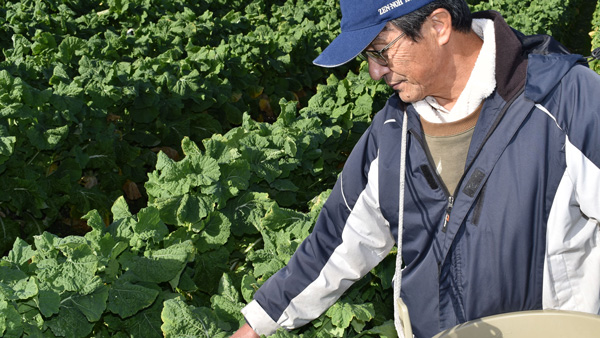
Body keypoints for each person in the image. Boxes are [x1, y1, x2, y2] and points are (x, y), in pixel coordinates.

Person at [232, 0, 600, 337]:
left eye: (381, 51)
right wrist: (255, 325)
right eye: (368, 57)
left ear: (438, 25)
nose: (375, 72)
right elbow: (336, 241)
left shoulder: (567, 101)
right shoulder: (393, 130)